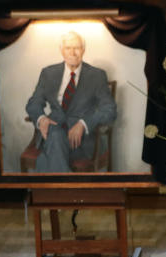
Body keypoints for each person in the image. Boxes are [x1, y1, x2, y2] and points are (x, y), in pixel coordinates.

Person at [25, 31, 116, 172]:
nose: (73, 52)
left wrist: (84, 123)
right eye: (68, 48)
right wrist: (41, 118)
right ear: (61, 51)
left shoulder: (97, 76)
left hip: (81, 141)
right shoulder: (48, 73)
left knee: (48, 152)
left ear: (83, 50)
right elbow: (34, 103)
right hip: (51, 132)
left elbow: (110, 110)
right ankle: (67, 191)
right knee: (55, 136)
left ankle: (52, 192)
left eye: (77, 48)